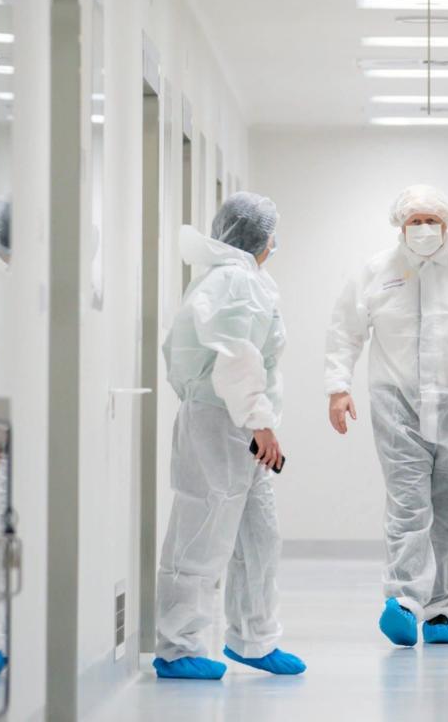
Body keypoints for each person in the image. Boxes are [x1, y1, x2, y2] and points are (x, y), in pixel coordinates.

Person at [324, 184, 448, 647]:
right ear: (400, 226)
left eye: (429, 220)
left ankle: (439, 609)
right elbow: (345, 332)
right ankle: (402, 601)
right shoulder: (378, 271)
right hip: (396, 401)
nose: (421, 229)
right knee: (407, 504)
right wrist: (338, 388)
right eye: (413, 221)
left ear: (447, 224)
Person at [152, 192, 306, 680]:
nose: (275, 241)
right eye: (272, 232)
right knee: (203, 532)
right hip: (219, 421)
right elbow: (236, 359)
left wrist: (260, 421)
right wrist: (260, 422)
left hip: (240, 420)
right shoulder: (235, 281)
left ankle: (254, 639)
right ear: (258, 236)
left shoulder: (246, 279)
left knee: (258, 536)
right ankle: (178, 647)